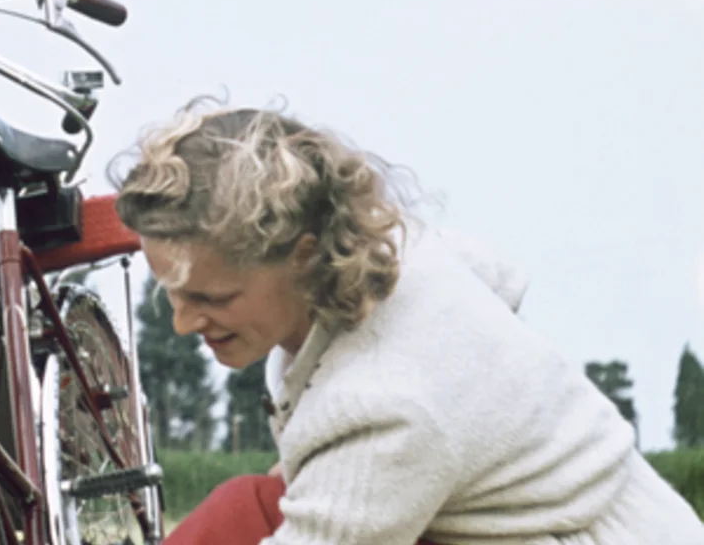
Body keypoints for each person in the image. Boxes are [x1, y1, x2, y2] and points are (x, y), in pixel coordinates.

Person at [112, 100, 704, 544]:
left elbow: (399, 411)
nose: (185, 323)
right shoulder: (386, 256)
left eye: (212, 296)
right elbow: (493, 279)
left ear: (302, 253)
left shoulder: (385, 399)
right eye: (172, 293)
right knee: (244, 508)